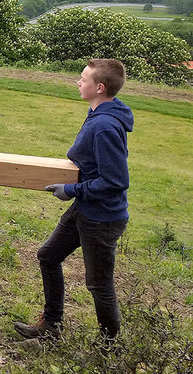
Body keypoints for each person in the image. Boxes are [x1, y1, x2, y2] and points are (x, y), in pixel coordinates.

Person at [14, 59, 133, 341]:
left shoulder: (104, 125)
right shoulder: (98, 112)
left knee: (99, 284)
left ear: (100, 87)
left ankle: (110, 348)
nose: (78, 83)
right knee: (48, 256)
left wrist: (71, 190)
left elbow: (116, 181)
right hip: (86, 209)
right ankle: (51, 327)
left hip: (102, 218)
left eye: (83, 79)